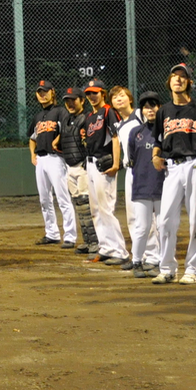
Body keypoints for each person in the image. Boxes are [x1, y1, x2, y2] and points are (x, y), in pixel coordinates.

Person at [151, 64, 196, 285]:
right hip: (172, 167)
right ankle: (167, 268)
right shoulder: (163, 111)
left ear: (189, 82)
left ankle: (194, 270)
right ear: (169, 82)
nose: (178, 79)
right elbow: (157, 139)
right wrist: (155, 155)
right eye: (174, 76)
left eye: (183, 76)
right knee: (165, 220)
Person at [113, 85, 159, 270]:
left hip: (148, 170)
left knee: (149, 217)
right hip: (131, 170)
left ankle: (153, 255)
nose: (119, 99)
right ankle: (139, 256)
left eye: (122, 95)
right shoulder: (119, 124)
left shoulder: (139, 113)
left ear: (130, 99)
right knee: (133, 217)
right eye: (115, 97)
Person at [82, 79, 128, 266]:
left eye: (95, 92)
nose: (91, 96)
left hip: (104, 164)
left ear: (103, 93)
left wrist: (116, 163)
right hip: (90, 164)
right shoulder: (89, 117)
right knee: (95, 210)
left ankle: (120, 251)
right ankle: (106, 248)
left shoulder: (109, 112)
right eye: (88, 93)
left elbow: (116, 138)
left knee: (106, 209)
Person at [28, 80, 76, 247]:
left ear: (52, 92)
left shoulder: (60, 111)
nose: (42, 95)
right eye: (40, 92)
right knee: (44, 199)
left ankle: (70, 236)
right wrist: (32, 154)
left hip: (56, 158)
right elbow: (32, 138)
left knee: (63, 198)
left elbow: (67, 130)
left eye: (45, 91)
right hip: (41, 159)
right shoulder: (37, 116)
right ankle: (52, 233)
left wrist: (58, 139)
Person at [126, 92, 164, 279]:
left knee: (164, 227)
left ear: (160, 107)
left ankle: (163, 262)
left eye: (153, 106)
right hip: (142, 184)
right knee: (142, 227)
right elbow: (132, 158)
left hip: (163, 185)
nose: (150, 110)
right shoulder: (136, 132)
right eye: (146, 107)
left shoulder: (166, 131)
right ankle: (137, 261)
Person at [59, 86, 93, 252]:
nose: (70, 104)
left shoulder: (87, 118)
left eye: (73, 100)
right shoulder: (66, 119)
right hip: (70, 167)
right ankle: (87, 241)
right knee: (79, 205)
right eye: (67, 101)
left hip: (82, 166)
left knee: (87, 205)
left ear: (82, 101)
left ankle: (95, 242)